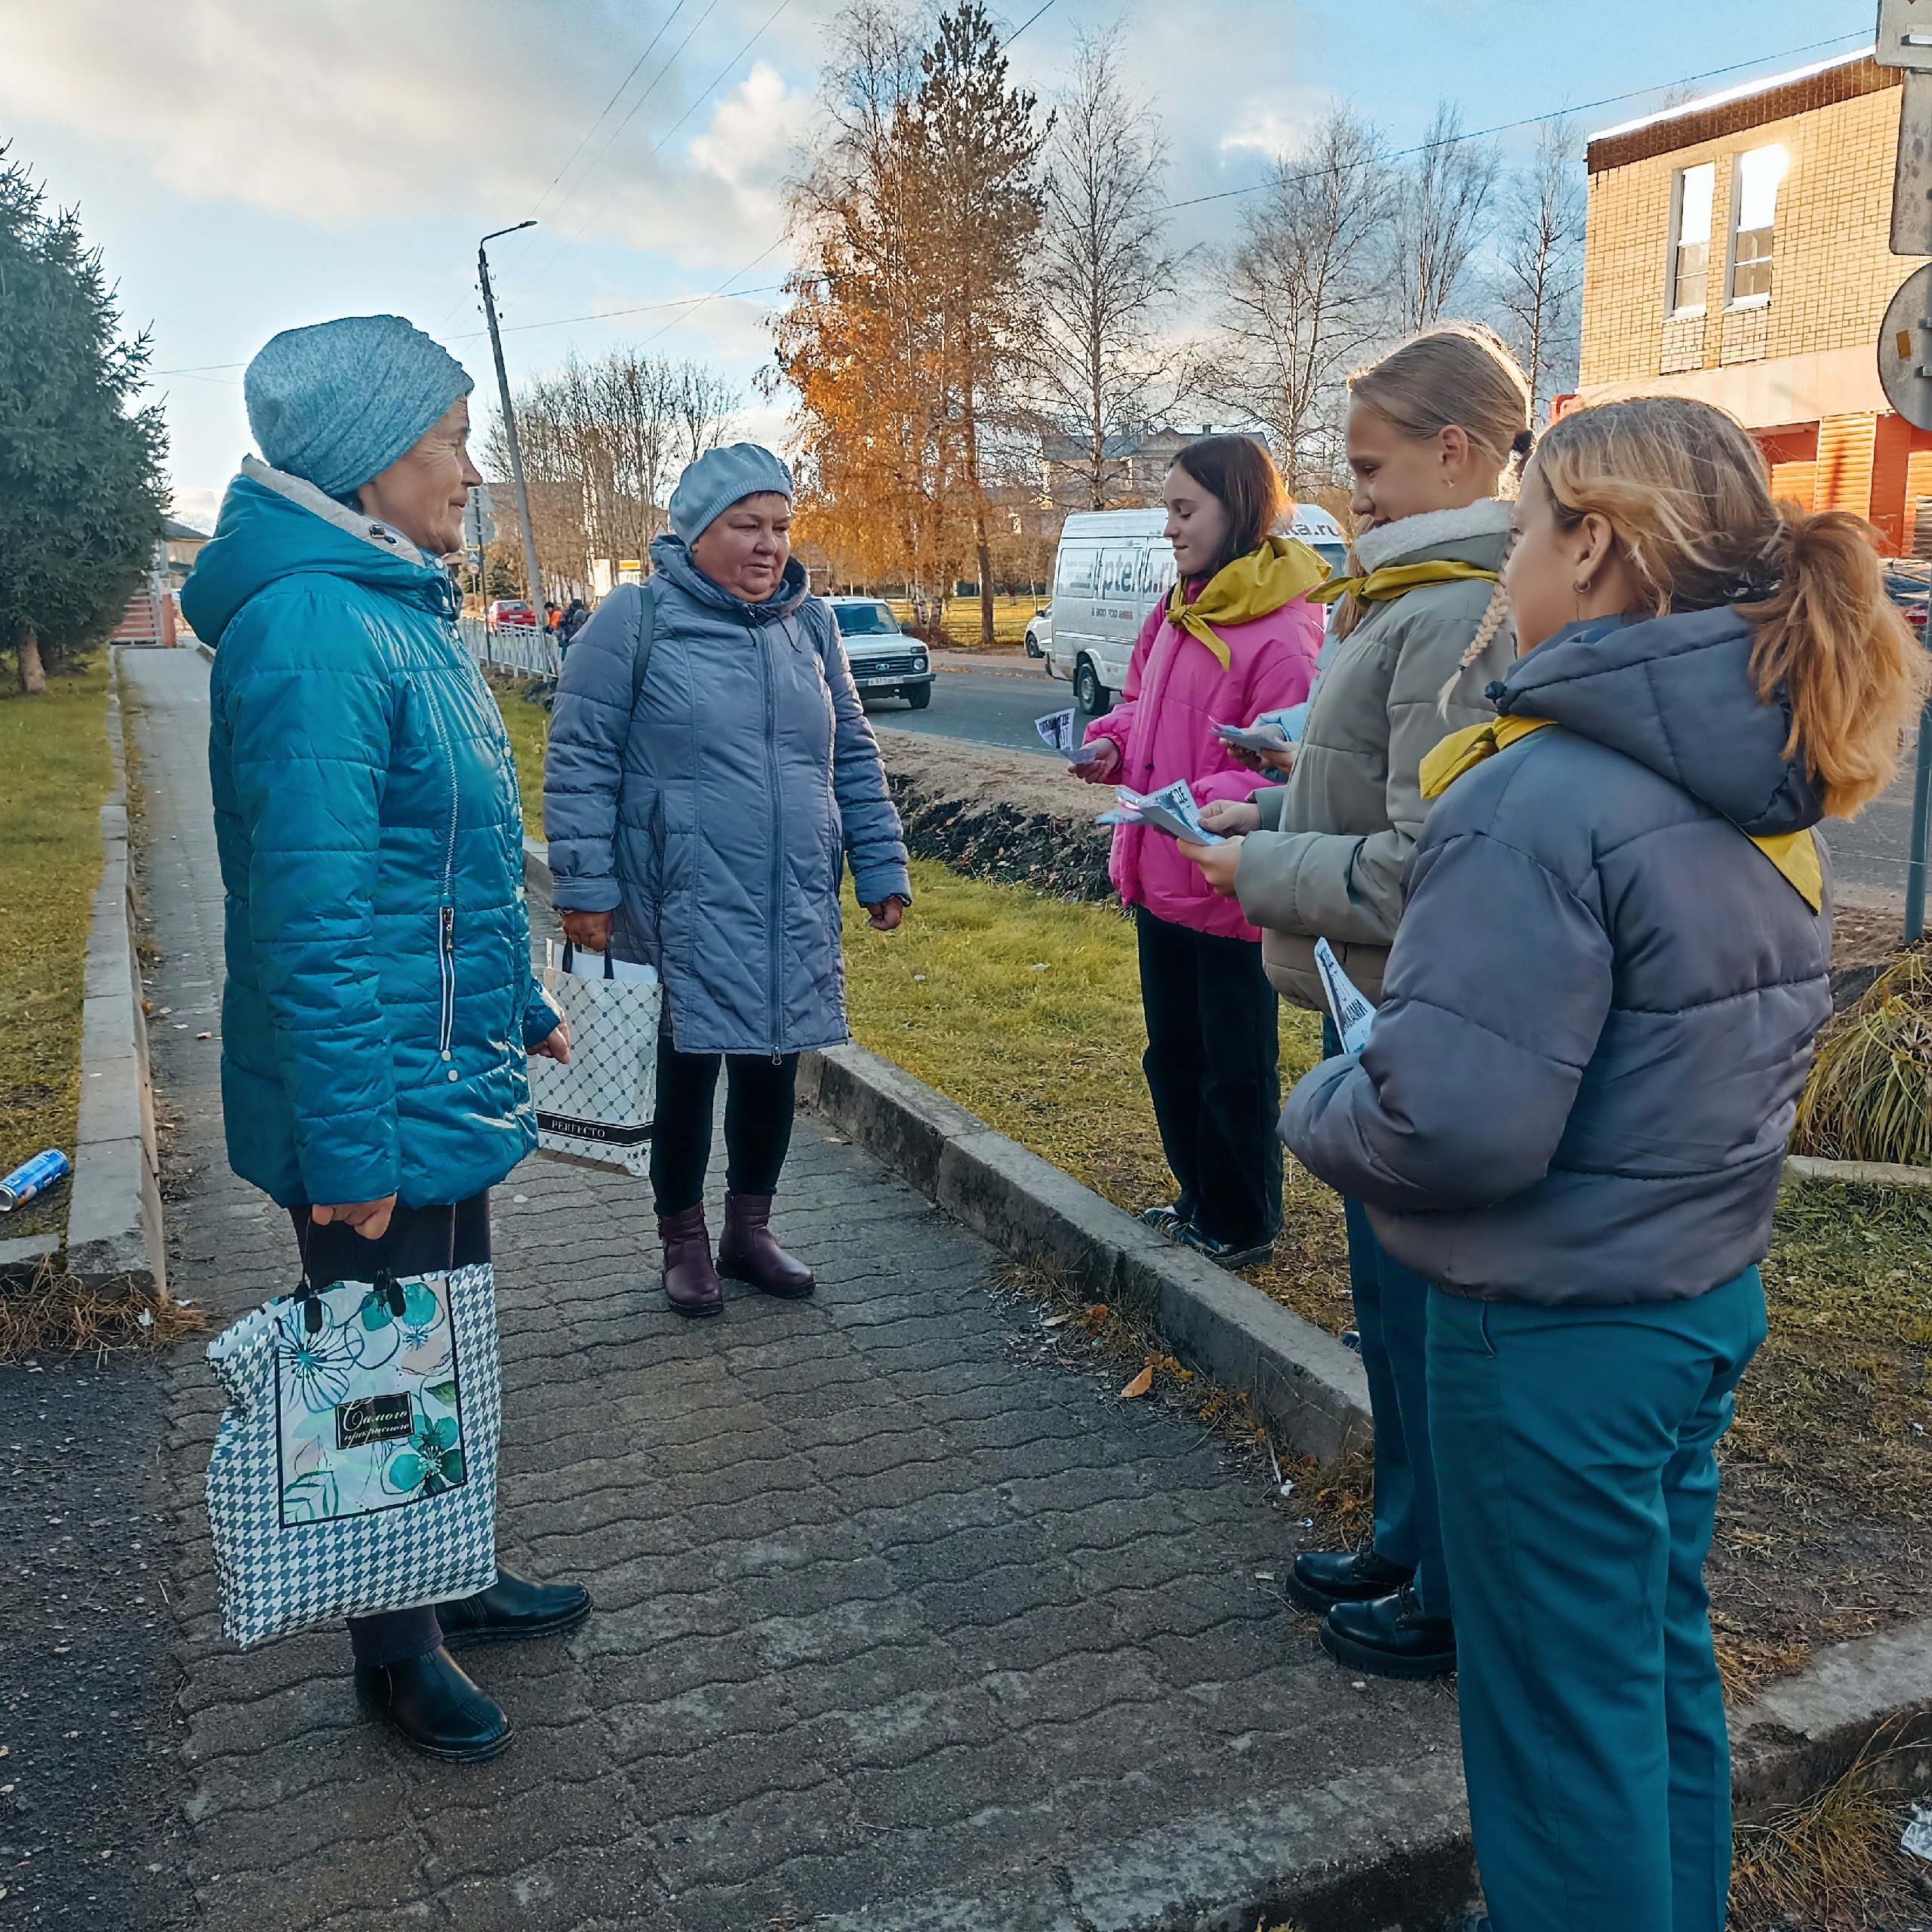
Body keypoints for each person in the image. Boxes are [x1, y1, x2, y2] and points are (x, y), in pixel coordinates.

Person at [1281, 396, 1928, 1932]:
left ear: (1594, 545)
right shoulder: (1759, 775)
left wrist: (1323, 1095)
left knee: (1556, 1734)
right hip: (1689, 1301)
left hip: (1547, 1337)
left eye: (1520, 533)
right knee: (1646, 1676)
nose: (1506, 569)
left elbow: (1449, 1122)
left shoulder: (1529, 796)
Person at [186, 314, 592, 1764]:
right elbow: (314, 920)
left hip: (434, 1065)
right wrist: (348, 1150)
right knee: (374, 1366)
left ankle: (452, 1573)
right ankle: (394, 1652)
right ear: (371, 462)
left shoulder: (387, 602)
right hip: (368, 1097)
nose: (471, 471)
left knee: (443, 1347)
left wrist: (521, 1005)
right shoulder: (313, 624)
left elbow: (443, 868)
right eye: (451, 443)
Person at [1183, 324, 1531, 1680]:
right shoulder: (1407, 592)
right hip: (1365, 1005)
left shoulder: (1455, 609)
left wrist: (1255, 859)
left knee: (1428, 1315)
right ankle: (1407, 1532)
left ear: (1457, 452)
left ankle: (1446, 1581)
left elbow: (1423, 864)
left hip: (1412, 1015)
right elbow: (1378, 794)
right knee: (1386, 1308)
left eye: (1373, 464)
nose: (1355, 491)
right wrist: (1276, 791)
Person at [543, 445, 911, 1316]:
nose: (768, 545)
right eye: (746, 525)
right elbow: (580, 759)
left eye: (780, 527)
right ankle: (683, 1240)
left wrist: (880, 863)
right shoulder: (634, 618)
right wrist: (586, 888)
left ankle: (751, 1231)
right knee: (684, 1064)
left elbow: (851, 753)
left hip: (787, 893)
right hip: (676, 892)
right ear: (696, 530)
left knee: (772, 1063)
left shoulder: (810, 625)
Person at [1075, 435, 1325, 1269]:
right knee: (1171, 1054)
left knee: (1234, 1069)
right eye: (1168, 513)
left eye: (1184, 512)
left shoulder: (1284, 635)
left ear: (1238, 509)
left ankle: (1242, 1219)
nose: (1171, 530)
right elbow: (1140, 703)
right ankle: (1196, 1195)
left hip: (1228, 887)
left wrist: (1209, 803)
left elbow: (1277, 759)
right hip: (1156, 873)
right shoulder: (1179, 604)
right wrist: (1109, 744)